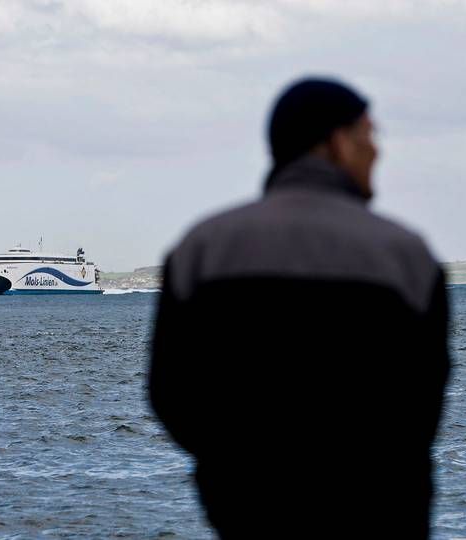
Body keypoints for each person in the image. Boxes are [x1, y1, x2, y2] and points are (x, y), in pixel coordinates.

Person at [149, 78, 450, 539]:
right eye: (369, 135)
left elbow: (171, 392)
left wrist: (232, 464)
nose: (377, 151)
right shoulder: (406, 256)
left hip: (246, 508)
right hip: (379, 510)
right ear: (335, 143)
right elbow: (424, 399)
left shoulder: (200, 250)